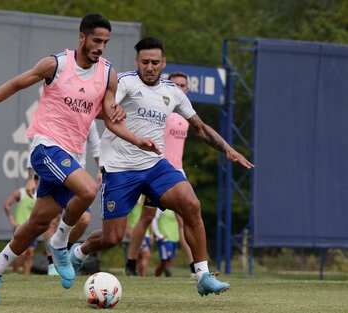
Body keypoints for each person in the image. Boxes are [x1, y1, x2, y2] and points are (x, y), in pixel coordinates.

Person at [0, 13, 159, 304]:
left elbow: (110, 116)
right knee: (89, 189)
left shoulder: (108, 74)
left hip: (72, 154)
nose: (101, 47)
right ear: (82, 38)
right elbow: (15, 84)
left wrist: (136, 138)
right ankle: (61, 242)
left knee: (37, 221)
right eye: (96, 40)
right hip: (46, 146)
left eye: (106, 42)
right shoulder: (56, 64)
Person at [69, 37, 254, 297]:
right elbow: (101, 108)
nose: (150, 67)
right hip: (121, 169)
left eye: (155, 62)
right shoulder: (124, 82)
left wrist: (228, 148)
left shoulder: (173, 92)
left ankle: (203, 275)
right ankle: (79, 251)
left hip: (155, 166)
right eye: (145, 62)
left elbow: (200, 128)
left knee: (192, 205)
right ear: (137, 62)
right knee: (112, 238)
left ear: (163, 63)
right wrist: (112, 110)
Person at [125, 71, 202, 278]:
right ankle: (131, 262)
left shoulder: (187, 116)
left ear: (187, 89)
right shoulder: (163, 110)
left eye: (183, 85)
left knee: (185, 218)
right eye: (174, 84)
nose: (179, 88)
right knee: (146, 217)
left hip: (177, 171)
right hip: (158, 170)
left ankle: (196, 268)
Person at [27, 120, 102, 276]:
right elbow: (38, 142)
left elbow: (96, 146)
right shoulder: (58, 111)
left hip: (76, 177)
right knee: (49, 221)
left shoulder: (89, 117)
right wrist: (31, 178)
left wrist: (100, 169)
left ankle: (62, 252)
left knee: (84, 220)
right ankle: (51, 264)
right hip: (54, 169)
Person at [3, 175, 39, 274]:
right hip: (20, 227)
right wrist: (12, 220)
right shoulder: (20, 193)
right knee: (21, 253)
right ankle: (15, 273)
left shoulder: (39, 195)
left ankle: (25, 278)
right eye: (32, 181)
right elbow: (6, 205)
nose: (34, 184)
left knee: (30, 253)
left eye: (36, 182)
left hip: (33, 228)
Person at [124, 195, 151, 276]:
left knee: (141, 255)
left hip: (146, 232)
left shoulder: (148, 194)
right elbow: (126, 213)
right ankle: (141, 275)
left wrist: (152, 233)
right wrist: (127, 228)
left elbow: (149, 215)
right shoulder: (134, 195)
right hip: (134, 230)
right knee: (145, 253)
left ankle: (138, 275)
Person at [151, 209, 179, 277]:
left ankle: (156, 276)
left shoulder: (176, 207)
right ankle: (168, 277)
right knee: (166, 261)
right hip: (164, 239)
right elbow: (154, 219)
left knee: (167, 261)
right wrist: (158, 235)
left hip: (174, 238)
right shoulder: (161, 208)